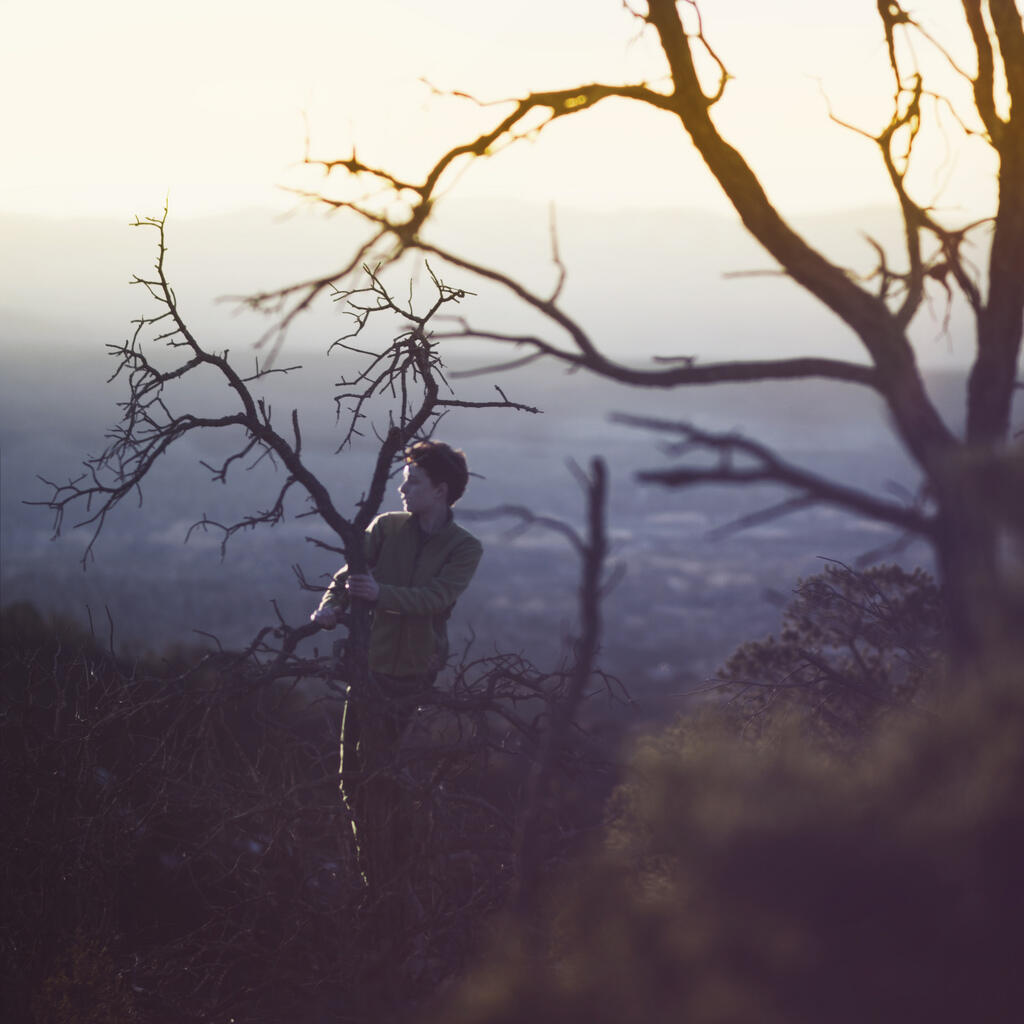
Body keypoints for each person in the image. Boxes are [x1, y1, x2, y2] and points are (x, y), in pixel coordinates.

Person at [310, 440, 483, 889]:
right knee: (352, 775)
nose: (403, 490)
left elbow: (437, 598)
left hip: (412, 672)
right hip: (367, 666)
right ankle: (373, 869)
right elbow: (348, 576)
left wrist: (379, 594)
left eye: (413, 481)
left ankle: (389, 871)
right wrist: (329, 607)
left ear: (441, 490)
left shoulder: (465, 548)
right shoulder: (386, 527)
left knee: (379, 775)